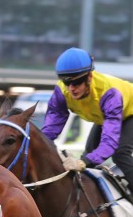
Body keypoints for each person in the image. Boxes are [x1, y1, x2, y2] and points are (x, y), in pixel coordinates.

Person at [43, 47, 133, 196]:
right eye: (66, 82)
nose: (72, 88)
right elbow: (50, 129)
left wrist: (84, 162)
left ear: (89, 77)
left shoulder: (109, 94)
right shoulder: (61, 92)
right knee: (90, 153)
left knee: (119, 153)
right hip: (105, 117)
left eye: (77, 82)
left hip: (130, 113)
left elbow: (109, 142)